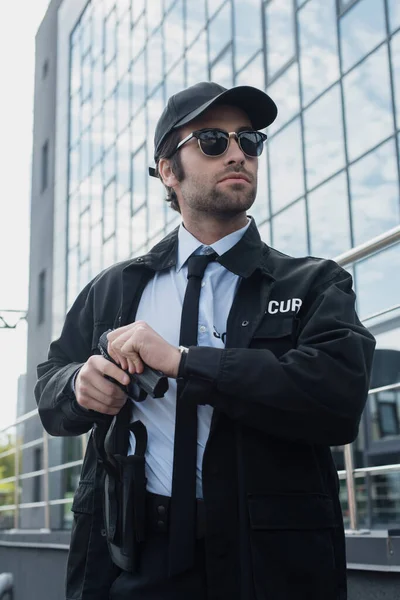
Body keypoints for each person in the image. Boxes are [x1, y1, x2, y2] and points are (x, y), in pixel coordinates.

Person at [35, 81, 376, 600]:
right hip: (135, 557)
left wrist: (185, 362)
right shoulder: (116, 287)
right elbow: (51, 387)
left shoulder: (313, 283)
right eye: (214, 141)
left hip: (268, 565)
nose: (239, 153)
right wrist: (76, 386)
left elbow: (337, 399)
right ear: (168, 171)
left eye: (250, 141)